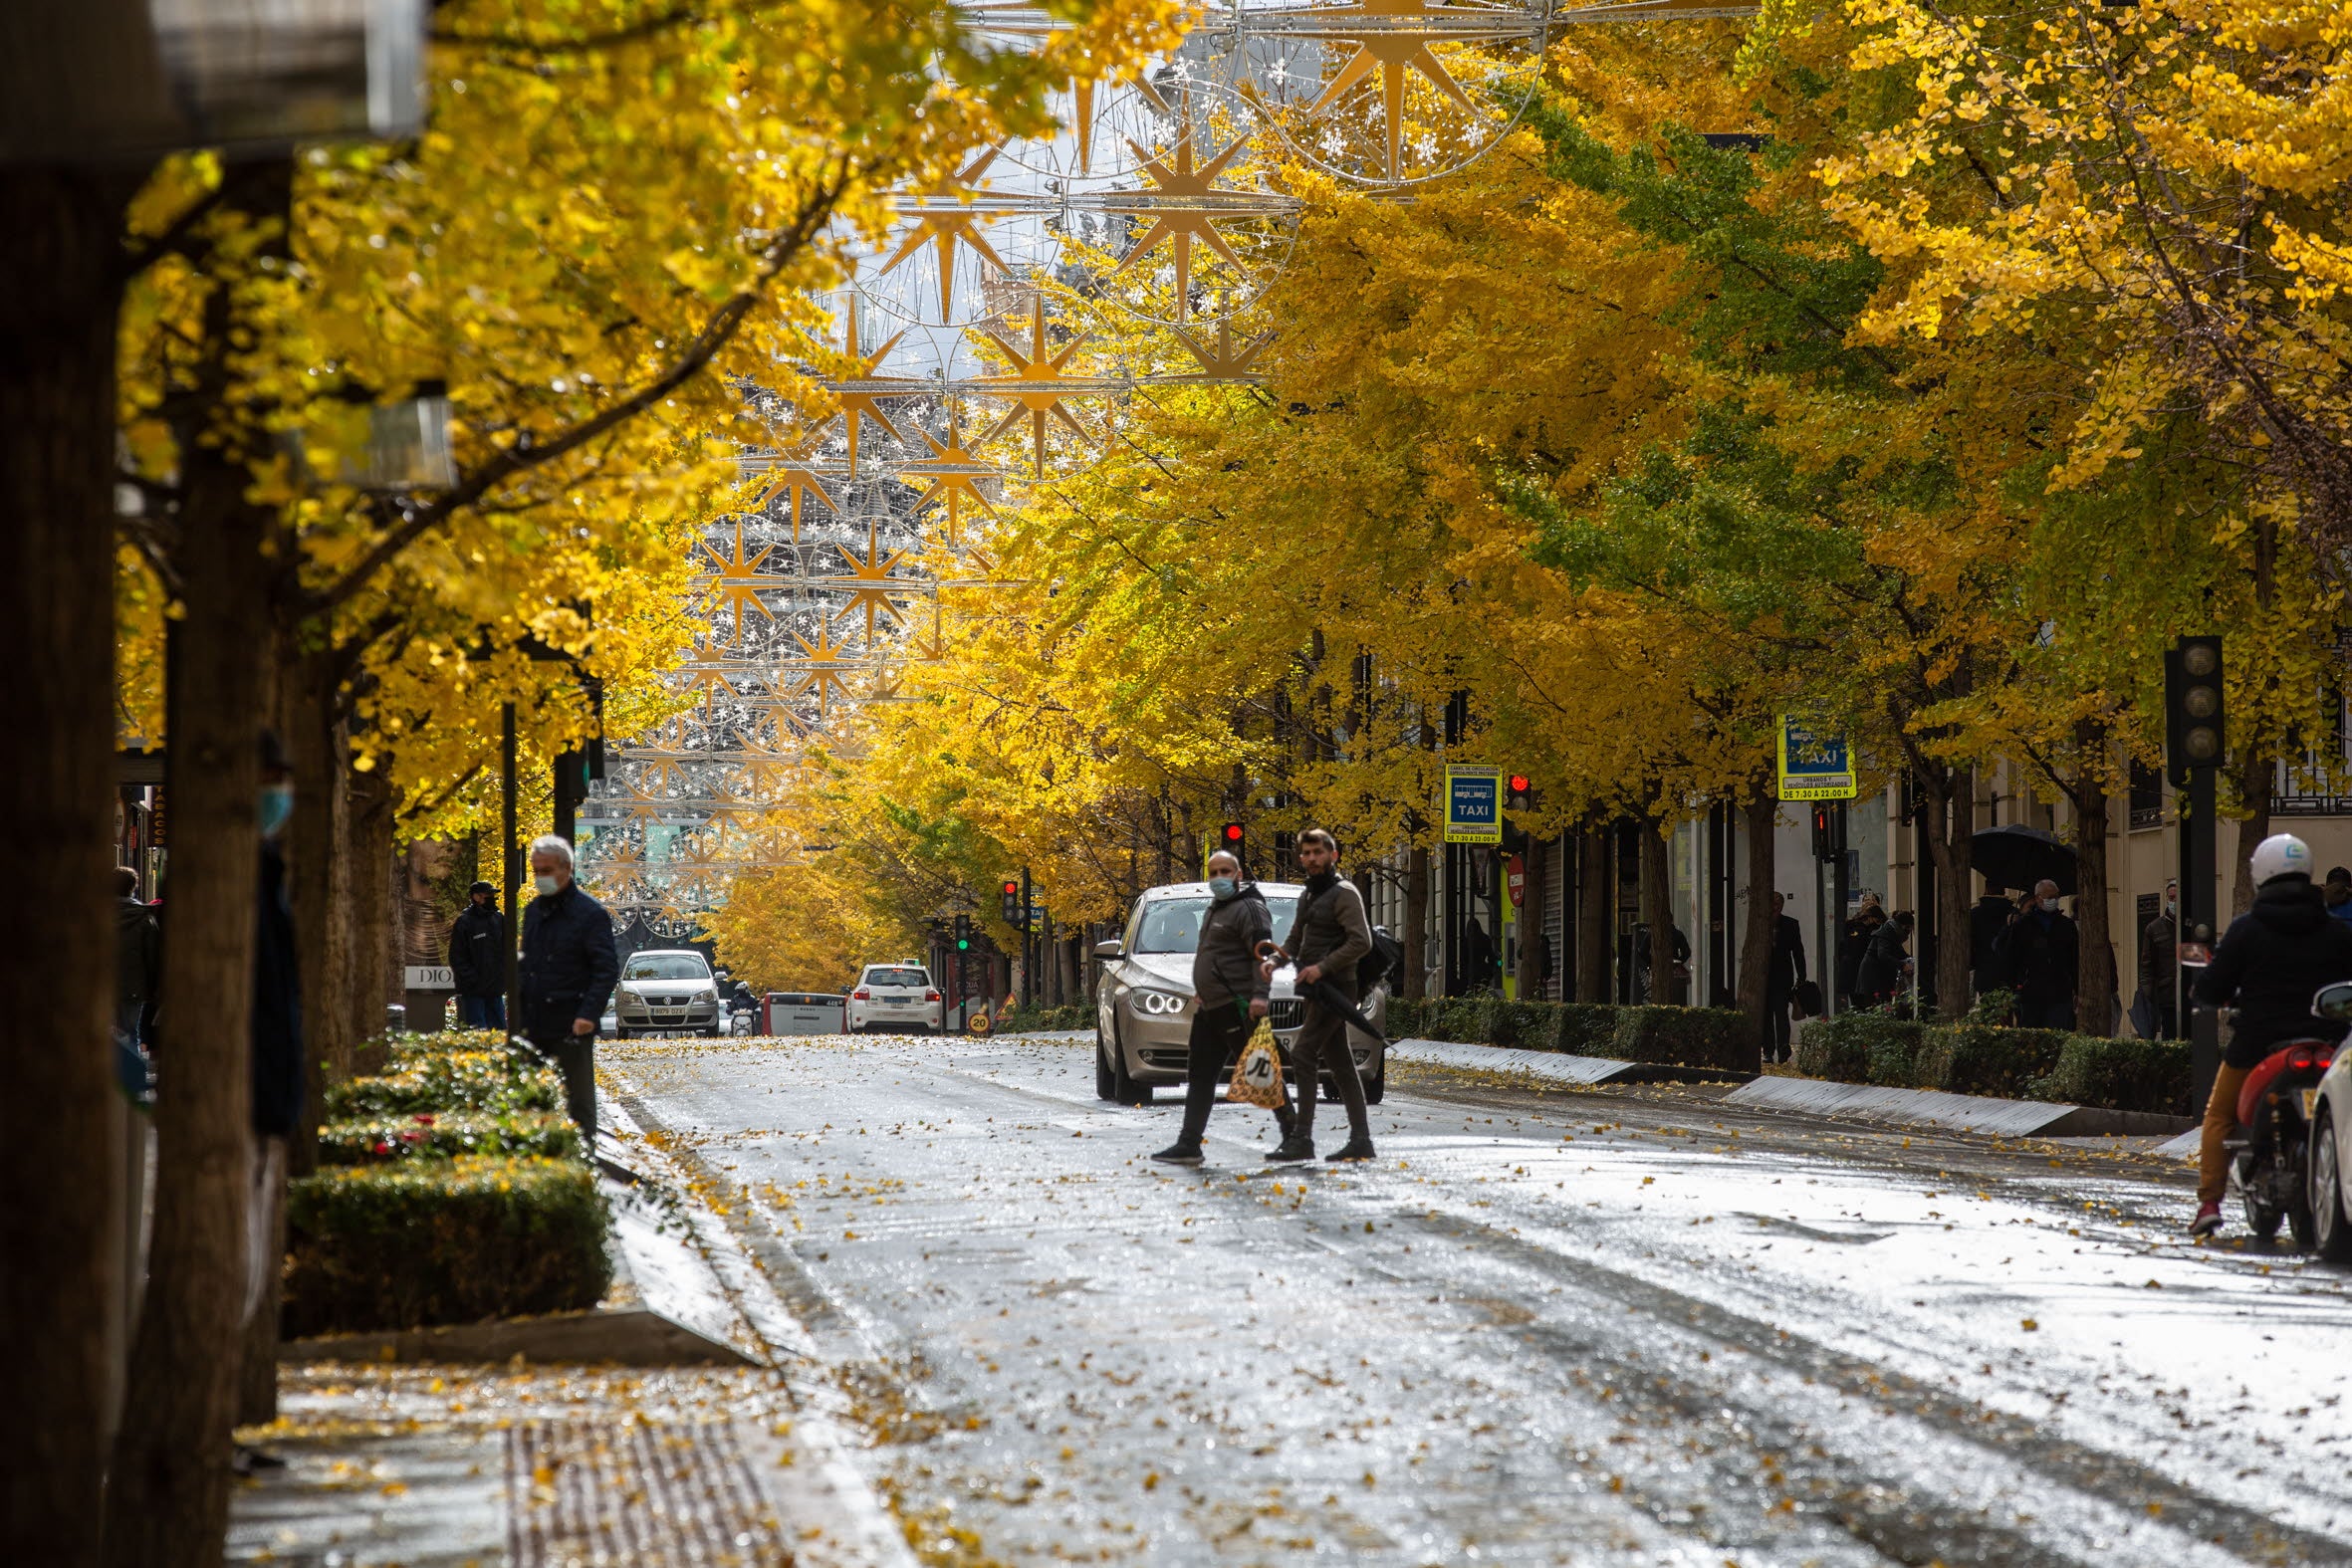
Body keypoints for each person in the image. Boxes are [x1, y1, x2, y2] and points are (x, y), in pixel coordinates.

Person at [2189, 833, 2352, 1237]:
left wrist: (2211, 995)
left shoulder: (2247, 930)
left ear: (2260, 874)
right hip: (2326, 1043)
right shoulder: (2337, 931)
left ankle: (2209, 1202)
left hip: (2259, 1044)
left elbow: (2211, 988)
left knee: (2218, 1117)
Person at [1149, 849, 1274, 1167]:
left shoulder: (1250, 908)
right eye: (1213, 872)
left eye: (1225, 871)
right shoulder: (1218, 908)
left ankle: (1296, 1135)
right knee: (1201, 1074)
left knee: (1260, 1073)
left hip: (1236, 1006)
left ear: (1239, 874)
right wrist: (1204, 989)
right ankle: (1189, 1143)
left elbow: (1263, 955)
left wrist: (1260, 996)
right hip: (1212, 1006)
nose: (1218, 878)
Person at [1266, 828, 1377, 1164]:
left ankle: (1302, 1138)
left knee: (1302, 1052)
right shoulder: (1309, 895)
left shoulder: (1344, 893)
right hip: (1316, 987)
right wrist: (1275, 959)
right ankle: (1361, 1140)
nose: (1312, 858)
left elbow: (1362, 941)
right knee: (1340, 1062)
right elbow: (1297, 937)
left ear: (1333, 855)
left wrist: (1322, 968)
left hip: (1337, 986)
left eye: (1318, 852)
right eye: (1307, 853)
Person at [517, 834, 620, 1149]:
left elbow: (606, 969)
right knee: (532, 1097)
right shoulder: (534, 911)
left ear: (566, 868)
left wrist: (588, 1014)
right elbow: (527, 962)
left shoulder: (590, 913)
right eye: (535, 870)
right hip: (534, 1019)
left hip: (572, 1020)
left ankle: (584, 1156)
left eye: (545, 870)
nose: (539, 877)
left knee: (579, 1101)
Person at [2005, 878, 2079, 1029]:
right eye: (2050, 897)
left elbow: (2075, 958)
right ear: (2038, 898)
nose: (2054, 900)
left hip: (2060, 992)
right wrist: (2016, 985)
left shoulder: (2066, 925)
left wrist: (2077, 988)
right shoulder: (2022, 925)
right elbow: (2011, 957)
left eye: (2056, 897)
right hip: (2031, 992)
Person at [447, 880, 507, 1030]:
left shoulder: (498, 918)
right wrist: (473, 979)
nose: (492, 897)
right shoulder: (465, 922)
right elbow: (457, 956)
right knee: (477, 1031)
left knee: (499, 1032)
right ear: (476, 897)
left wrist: (502, 978)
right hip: (474, 991)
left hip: (495, 989)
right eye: (488, 895)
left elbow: (507, 950)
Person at [1763, 892, 1806, 1063]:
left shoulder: (1790, 924)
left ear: (1782, 906)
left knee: (1781, 1014)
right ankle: (1767, 1050)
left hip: (1782, 977)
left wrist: (1802, 975)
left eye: (1778, 904)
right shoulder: (1761, 923)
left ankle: (1782, 1049)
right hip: (1764, 976)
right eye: (1772, 904)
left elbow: (1798, 951)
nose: (1775, 907)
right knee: (1766, 1015)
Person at [2138, 879, 2179, 1040]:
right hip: (2167, 994)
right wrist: (2147, 992)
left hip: (2191, 994)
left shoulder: (2195, 924)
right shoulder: (2154, 928)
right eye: (2171, 898)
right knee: (2169, 1034)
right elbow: (2147, 963)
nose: (2174, 902)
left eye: (2177, 898)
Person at [1856, 910, 1915, 1008]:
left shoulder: (1891, 932)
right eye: (1908, 928)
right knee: (1877, 1005)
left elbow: (1900, 953)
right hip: (1873, 977)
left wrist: (1910, 961)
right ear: (1902, 925)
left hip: (1878, 976)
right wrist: (1903, 965)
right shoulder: (1887, 933)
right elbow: (1883, 955)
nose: (1909, 933)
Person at [1837, 894, 1885, 1010]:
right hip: (1853, 971)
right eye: (1866, 900)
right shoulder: (1852, 924)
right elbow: (1844, 947)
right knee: (1857, 1005)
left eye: (1872, 901)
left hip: (1871, 972)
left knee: (1872, 1005)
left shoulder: (1880, 925)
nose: (1869, 903)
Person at [1970, 888, 2016, 997]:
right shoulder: (2013, 913)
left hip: (1984, 972)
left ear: (1986, 891)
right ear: (2004, 892)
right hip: (2009, 973)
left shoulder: (1975, 914)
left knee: (1988, 1008)